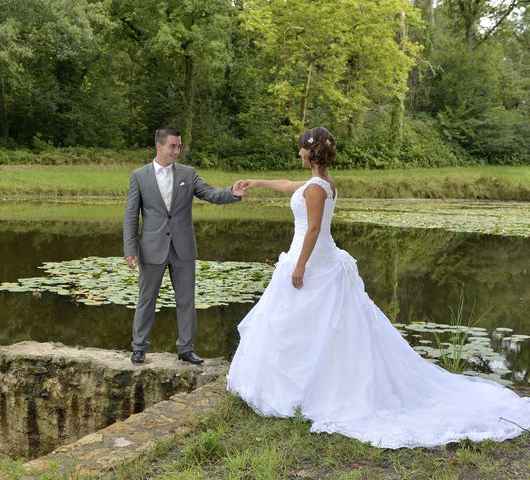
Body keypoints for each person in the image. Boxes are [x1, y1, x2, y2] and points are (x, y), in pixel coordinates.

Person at [227, 126, 530, 448]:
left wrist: (300, 265)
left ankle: (312, 391)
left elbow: (314, 229)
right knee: (313, 326)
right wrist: (258, 182)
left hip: (315, 260)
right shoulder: (321, 182)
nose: (298, 153)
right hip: (322, 259)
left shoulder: (316, 188)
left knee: (312, 326)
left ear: (309, 152)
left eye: (300, 149)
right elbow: (290, 185)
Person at [124, 126, 247, 365]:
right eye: (172, 146)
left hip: (183, 248)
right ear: (158, 146)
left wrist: (232, 192)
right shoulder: (139, 176)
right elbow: (131, 215)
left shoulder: (188, 174)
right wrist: (130, 249)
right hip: (152, 248)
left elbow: (210, 193)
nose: (177, 151)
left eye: (179, 146)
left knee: (186, 300)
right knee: (146, 299)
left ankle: (186, 348)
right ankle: (139, 347)